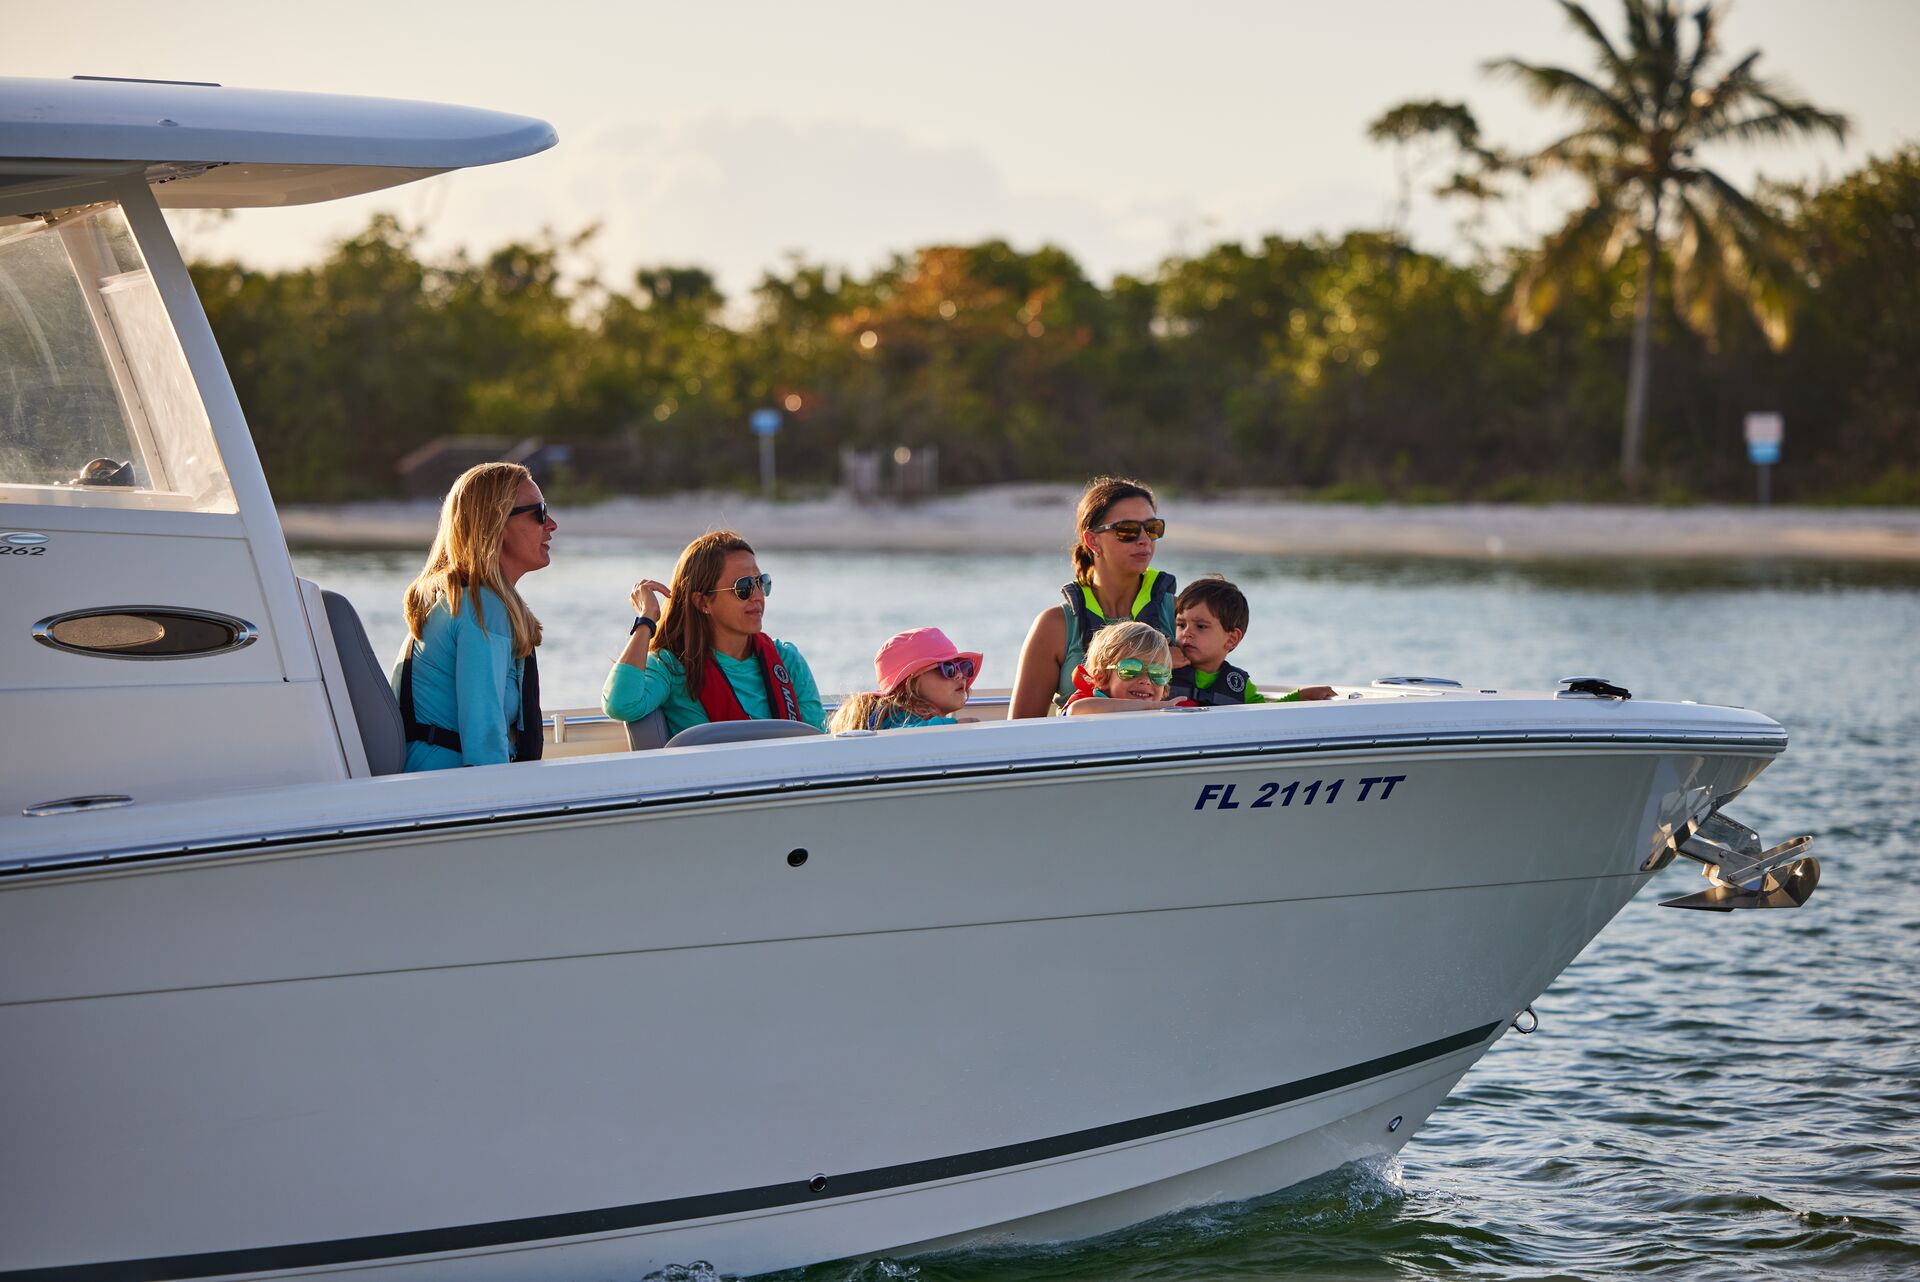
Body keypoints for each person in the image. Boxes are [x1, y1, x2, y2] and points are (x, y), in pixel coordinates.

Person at [393, 461, 556, 771]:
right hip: (446, 795)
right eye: (540, 512)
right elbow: (484, 739)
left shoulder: (459, 599)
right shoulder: (482, 606)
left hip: (430, 784)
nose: (552, 525)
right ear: (495, 524)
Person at [603, 530, 826, 737]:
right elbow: (621, 704)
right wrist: (646, 619)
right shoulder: (672, 667)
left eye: (761, 582)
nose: (758, 595)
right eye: (744, 587)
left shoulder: (787, 661)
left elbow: (817, 738)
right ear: (703, 602)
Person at [1010, 476, 1176, 719]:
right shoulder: (1054, 626)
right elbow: (1020, 728)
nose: (1144, 540)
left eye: (1152, 529)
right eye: (1127, 530)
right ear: (1092, 540)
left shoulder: (1182, 615)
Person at [1168, 575, 1337, 705]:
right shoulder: (1160, 670)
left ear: (1231, 639)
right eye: (1181, 625)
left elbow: (1265, 716)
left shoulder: (1238, 685)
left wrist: (1301, 697)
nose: (1187, 633)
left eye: (1201, 626)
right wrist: (1160, 661)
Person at [828, 628, 983, 732]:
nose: (960, 675)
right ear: (911, 684)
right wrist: (957, 727)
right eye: (948, 668)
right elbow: (906, 736)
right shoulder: (894, 717)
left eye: (964, 666)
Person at [1061, 621, 1197, 716]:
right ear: (1101, 677)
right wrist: (1151, 707)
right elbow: (1077, 709)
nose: (1145, 680)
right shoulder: (1089, 701)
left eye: (1157, 673)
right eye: (1131, 669)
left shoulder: (1156, 710)